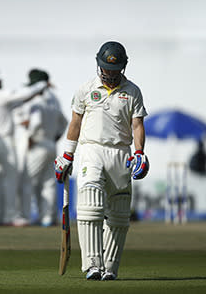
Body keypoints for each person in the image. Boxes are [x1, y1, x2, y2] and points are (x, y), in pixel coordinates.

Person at [54, 41, 149, 280]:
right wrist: (67, 154)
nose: (111, 74)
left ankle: (110, 267)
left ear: (123, 68)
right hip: (91, 150)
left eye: (116, 70)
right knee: (90, 206)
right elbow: (75, 122)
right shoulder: (86, 89)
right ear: (99, 66)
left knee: (118, 216)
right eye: (107, 69)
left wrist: (139, 152)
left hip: (120, 153)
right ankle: (92, 264)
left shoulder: (133, 91)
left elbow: (137, 125)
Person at [0, 70, 47, 226]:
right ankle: (10, 215)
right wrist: (41, 85)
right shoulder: (0, 94)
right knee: (10, 178)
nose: (1, 82)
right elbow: (23, 95)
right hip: (5, 141)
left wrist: (33, 94)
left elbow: (19, 101)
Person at [24, 69, 68, 226]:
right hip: (51, 144)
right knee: (48, 183)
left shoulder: (36, 98)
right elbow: (64, 122)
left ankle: (25, 216)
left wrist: (29, 137)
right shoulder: (54, 99)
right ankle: (47, 217)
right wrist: (56, 136)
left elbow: (35, 122)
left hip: (37, 143)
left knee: (28, 181)